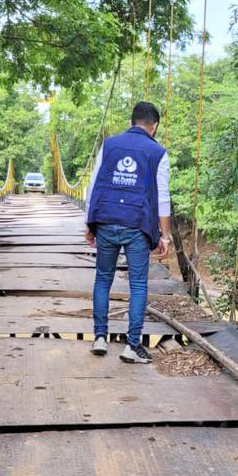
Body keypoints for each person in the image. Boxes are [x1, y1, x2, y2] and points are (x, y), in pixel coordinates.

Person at [84, 101, 173, 364]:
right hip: (137, 225)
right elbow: (163, 197)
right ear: (154, 127)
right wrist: (164, 236)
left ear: (132, 121)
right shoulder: (158, 152)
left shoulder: (109, 144)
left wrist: (90, 224)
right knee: (137, 285)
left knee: (103, 279)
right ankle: (132, 346)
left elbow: (93, 184)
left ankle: (100, 337)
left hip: (107, 221)